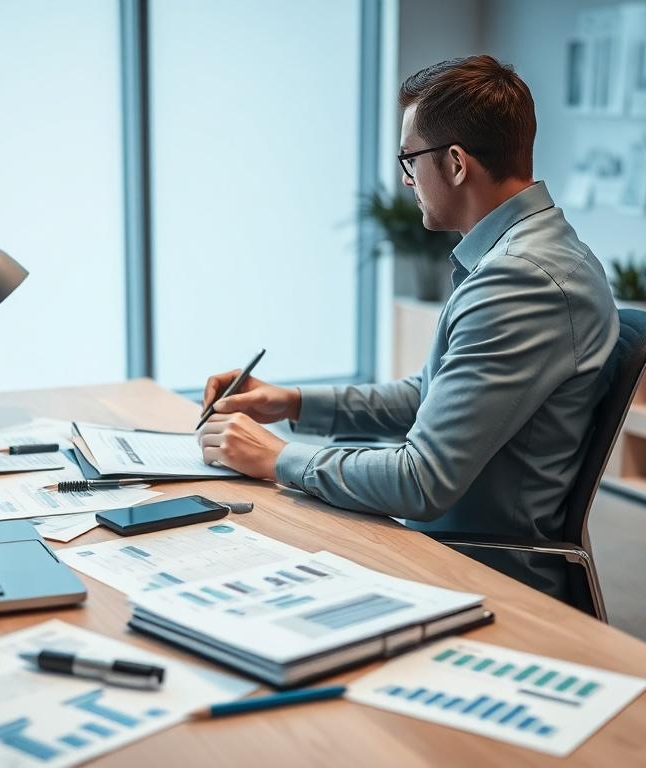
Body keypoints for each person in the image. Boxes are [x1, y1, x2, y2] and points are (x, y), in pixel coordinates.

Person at [196, 55, 618, 600]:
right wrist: (291, 402)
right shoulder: (522, 253)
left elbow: (421, 481)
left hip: (476, 572)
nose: (405, 180)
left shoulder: (520, 281)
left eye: (409, 160)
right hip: (442, 544)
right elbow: (428, 396)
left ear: (457, 163)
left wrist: (274, 457)